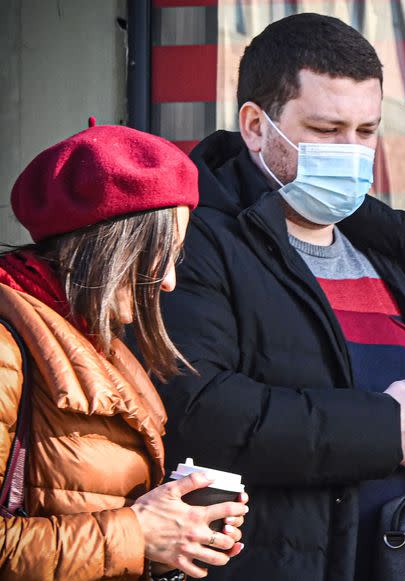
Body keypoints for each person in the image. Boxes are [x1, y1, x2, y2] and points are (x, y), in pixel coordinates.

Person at [155, 13, 405, 581]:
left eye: (366, 132)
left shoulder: (392, 255)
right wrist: (387, 430)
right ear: (257, 127)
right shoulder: (195, 241)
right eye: (327, 129)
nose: (352, 152)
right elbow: (197, 412)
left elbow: (404, 426)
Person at [0, 122, 249, 581]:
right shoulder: (8, 347)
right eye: (162, 254)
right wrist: (138, 532)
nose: (169, 282)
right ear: (111, 246)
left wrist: (171, 535)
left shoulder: (94, 340)